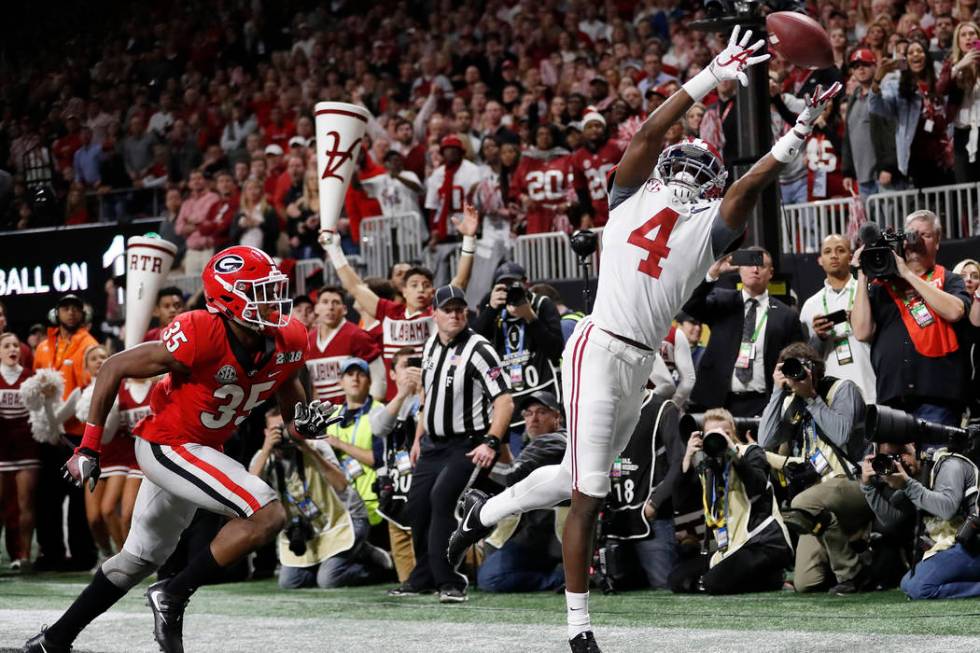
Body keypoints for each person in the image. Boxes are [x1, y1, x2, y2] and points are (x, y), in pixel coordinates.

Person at [449, 28, 838, 651]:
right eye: (682, 163)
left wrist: (788, 130)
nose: (684, 170)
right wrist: (721, 82)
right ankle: (579, 628)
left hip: (636, 361)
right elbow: (672, 145)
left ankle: (484, 512)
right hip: (599, 347)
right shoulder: (634, 200)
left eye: (695, 166)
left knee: (583, 474)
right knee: (589, 497)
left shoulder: (695, 223)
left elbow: (736, 181)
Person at [23, 245, 331, 653]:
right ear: (227, 299)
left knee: (137, 559)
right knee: (266, 511)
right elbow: (114, 366)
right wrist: (89, 448)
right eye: (258, 292)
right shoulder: (202, 330)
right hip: (168, 444)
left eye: (272, 289)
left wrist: (302, 422)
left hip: (200, 450)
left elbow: (290, 389)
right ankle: (174, 593)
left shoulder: (288, 336)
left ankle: (53, 639)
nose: (272, 301)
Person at [390, 285, 513, 604]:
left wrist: (491, 441)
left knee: (441, 499)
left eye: (460, 309)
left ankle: (450, 581)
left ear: (467, 313)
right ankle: (422, 578)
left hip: (467, 444)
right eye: (449, 309)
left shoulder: (480, 349)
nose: (456, 314)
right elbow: (426, 395)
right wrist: (419, 436)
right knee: (416, 506)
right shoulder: (431, 345)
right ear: (435, 314)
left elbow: (504, 401)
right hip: (432, 444)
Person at [322, 204, 479, 401]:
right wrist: (334, 250)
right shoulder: (389, 311)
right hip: (393, 401)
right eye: (414, 285)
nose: (421, 289)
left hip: (430, 398)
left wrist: (469, 238)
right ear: (403, 291)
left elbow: (460, 282)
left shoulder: (436, 313)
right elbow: (356, 288)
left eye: (426, 285)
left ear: (432, 292)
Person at [758, 343, 872, 594]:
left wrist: (811, 397)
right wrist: (778, 392)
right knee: (806, 583)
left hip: (851, 483)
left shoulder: (843, 389)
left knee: (803, 502)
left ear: (815, 369)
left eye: (800, 367)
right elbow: (765, 441)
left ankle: (852, 573)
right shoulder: (792, 401)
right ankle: (853, 551)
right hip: (814, 498)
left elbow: (841, 434)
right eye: (789, 370)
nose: (796, 374)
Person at [249, 407, 392, 589]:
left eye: (286, 428)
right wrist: (267, 448)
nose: (283, 435)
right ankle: (339, 558)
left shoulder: (316, 445)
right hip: (309, 531)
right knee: (290, 582)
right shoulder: (263, 458)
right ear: (266, 433)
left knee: (329, 580)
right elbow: (250, 491)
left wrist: (307, 448)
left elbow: (341, 484)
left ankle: (374, 562)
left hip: (345, 520)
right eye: (276, 430)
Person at [851, 210, 971, 427]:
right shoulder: (881, 288)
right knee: (894, 462)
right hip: (892, 397)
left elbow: (955, 311)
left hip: (938, 397)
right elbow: (861, 331)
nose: (915, 241)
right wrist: (862, 274)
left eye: (924, 235)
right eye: (911, 235)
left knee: (935, 460)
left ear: (938, 241)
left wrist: (907, 274)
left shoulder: (949, 279)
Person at [669, 408, 792, 595]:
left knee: (713, 583)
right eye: (713, 435)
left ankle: (774, 578)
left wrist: (733, 454)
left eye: (725, 434)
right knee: (676, 579)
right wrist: (687, 458)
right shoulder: (707, 465)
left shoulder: (751, 452)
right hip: (731, 548)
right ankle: (754, 577)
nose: (721, 439)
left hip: (764, 544)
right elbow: (680, 502)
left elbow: (757, 486)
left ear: (733, 431)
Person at [684, 248, 806, 417]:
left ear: (770, 273)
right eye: (749, 264)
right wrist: (713, 274)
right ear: (739, 268)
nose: (755, 269)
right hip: (719, 403)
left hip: (765, 403)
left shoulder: (786, 315)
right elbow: (689, 305)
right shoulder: (721, 301)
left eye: (761, 265)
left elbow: (798, 357)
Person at [863, 429, 980, 600]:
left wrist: (907, 485)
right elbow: (891, 522)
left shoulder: (949, 464)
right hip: (959, 547)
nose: (901, 461)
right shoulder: (915, 479)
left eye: (902, 453)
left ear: (913, 446)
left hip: (974, 545)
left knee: (920, 587)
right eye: (892, 458)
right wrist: (868, 487)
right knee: (907, 583)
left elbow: (947, 509)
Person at [32, 293, 98, 572]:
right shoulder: (43, 347)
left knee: (77, 500)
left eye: (76, 308)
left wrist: (60, 419)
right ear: (56, 313)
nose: (70, 313)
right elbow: (34, 389)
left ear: (83, 314)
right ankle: (51, 553)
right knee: (46, 496)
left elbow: (87, 390)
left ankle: (82, 555)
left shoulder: (88, 345)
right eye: (65, 308)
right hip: (47, 433)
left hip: (76, 434)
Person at [477, 391, 567, 593]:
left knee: (491, 578)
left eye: (541, 412)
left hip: (549, 535)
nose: (533, 419)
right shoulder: (536, 443)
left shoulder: (553, 440)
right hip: (538, 532)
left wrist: (494, 440)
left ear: (557, 417)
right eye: (528, 413)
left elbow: (510, 477)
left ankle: (560, 578)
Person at [474, 261, 564, 432]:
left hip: (542, 395)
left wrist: (530, 317)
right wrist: (491, 309)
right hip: (509, 400)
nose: (509, 290)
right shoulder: (492, 305)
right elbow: (475, 342)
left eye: (514, 284)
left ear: (526, 283)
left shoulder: (541, 304)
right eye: (503, 285)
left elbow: (556, 350)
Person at [799, 235, 877, 402]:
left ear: (850, 257)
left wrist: (860, 321)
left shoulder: (867, 292)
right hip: (831, 396)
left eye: (840, 250)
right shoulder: (810, 305)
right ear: (820, 260)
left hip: (870, 388)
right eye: (827, 252)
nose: (834, 255)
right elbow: (807, 359)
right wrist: (819, 337)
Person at [369, 347, 423, 583]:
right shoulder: (384, 406)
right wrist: (402, 394)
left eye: (416, 363)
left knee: (434, 567)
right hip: (396, 498)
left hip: (423, 495)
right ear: (392, 374)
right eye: (405, 365)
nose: (411, 370)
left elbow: (428, 422)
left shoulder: (430, 400)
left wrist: (423, 391)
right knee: (407, 579)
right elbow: (379, 428)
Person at [321, 358, 387, 528]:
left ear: (370, 381)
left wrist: (340, 445)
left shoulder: (379, 412)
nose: (355, 379)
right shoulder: (331, 414)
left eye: (361, 374)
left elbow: (378, 458)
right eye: (350, 374)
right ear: (341, 382)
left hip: (371, 505)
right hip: (339, 506)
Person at [0, 332, 39, 571]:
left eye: (16, 345)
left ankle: (23, 554)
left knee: (26, 503)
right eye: (6, 346)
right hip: (1, 448)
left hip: (26, 447)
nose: (13, 349)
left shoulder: (31, 379)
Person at [306, 286, 383, 404]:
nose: (330, 307)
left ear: (345, 309)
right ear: (316, 308)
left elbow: (379, 377)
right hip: (320, 417)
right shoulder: (307, 341)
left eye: (336, 302)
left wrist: (370, 410)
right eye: (325, 302)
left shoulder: (357, 335)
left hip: (352, 414)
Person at [424, 136, 484, 285]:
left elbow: (477, 201)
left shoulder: (472, 170)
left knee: (469, 269)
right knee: (442, 275)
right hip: (445, 228)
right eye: (447, 150)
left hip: (466, 224)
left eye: (454, 150)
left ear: (461, 152)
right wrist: (434, 230)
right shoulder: (437, 174)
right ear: (443, 153)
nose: (450, 153)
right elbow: (432, 207)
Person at [841, 48, 900, 198]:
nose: (860, 68)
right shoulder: (853, 98)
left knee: (890, 221)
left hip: (883, 176)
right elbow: (848, 137)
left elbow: (893, 131)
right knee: (871, 221)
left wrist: (889, 166)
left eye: (865, 64)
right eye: (856, 66)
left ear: (875, 67)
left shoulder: (884, 93)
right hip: (862, 179)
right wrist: (848, 171)